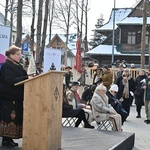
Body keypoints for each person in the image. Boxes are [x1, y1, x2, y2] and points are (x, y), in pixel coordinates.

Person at [0, 45, 28, 147]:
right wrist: (25, 78)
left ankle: (10, 138)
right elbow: (9, 80)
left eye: (19, 54)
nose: (19, 56)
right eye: (17, 54)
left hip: (17, 96)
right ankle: (6, 139)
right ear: (11, 55)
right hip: (8, 96)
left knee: (15, 119)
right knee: (9, 118)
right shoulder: (7, 65)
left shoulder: (17, 65)